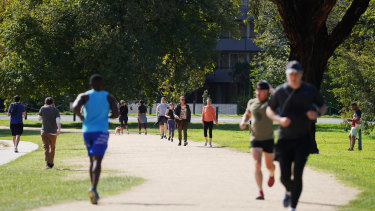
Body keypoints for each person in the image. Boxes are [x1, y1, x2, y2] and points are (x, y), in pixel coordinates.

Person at [266, 61, 327, 211]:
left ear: (301, 75)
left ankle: (293, 207)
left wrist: (317, 113)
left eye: (296, 74)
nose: (293, 77)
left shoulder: (309, 90)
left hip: (303, 139)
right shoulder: (281, 91)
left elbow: (323, 106)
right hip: (284, 139)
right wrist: (279, 119)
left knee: (298, 174)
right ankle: (289, 190)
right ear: (287, 75)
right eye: (291, 74)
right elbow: (269, 110)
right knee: (284, 177)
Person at [73, 74, 119, 205]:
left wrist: (81, 117)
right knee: (98, 160)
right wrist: (108, 116)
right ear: (102, 84)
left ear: (90, 84)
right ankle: (93, 188)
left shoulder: (84, 96)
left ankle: (93, 188)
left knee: (91, 159)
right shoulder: (108, 96)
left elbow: (76, 107)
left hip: (87, 131)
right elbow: (116, 113)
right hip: (101, 131)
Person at [239, 81, 275, 200]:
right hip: (255, 138)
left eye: (261, 90)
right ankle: (260, 191)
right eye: (257, 90)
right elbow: (247, 114)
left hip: (268, 138)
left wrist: (272, 90)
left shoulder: (271, 103)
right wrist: (243, 121)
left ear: (266, 92)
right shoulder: (251, 102)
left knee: (269, 165)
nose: (258, 93)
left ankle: (272, 174)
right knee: (257, 164)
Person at [38, 97, 61, 169]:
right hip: (53, 132)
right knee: (52, 147)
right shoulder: (56, 110)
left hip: (44, 131)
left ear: (45, 102)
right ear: (52, 103)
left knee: (46, 147)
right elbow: (58, 121)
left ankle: (48, 163)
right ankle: (51, 163)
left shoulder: (42, 108)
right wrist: (59, 129)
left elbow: (39, 119)